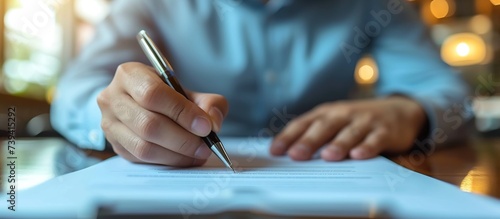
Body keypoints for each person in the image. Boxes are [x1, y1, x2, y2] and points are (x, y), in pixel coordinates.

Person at [51, 0, 470, 167]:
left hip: (328, 185)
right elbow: (77, 90)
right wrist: (118, 113)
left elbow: (451, 97)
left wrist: (409, 112)